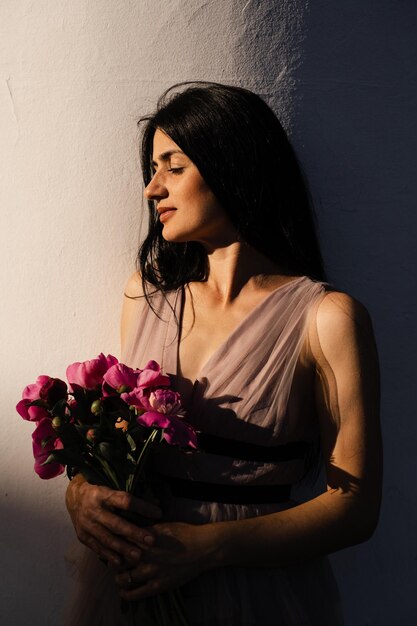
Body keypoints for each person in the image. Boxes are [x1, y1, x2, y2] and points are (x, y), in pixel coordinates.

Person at [65, 82, 382, 625]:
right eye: (152, 167)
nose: (150, 188)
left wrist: (206, 548)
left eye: (174, 166)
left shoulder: (328, 318)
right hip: (134, 591)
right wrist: (81, 496)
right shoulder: (144, 297)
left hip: (259, 596)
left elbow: (354, 506)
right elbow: (118, 442)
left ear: (232, 165)